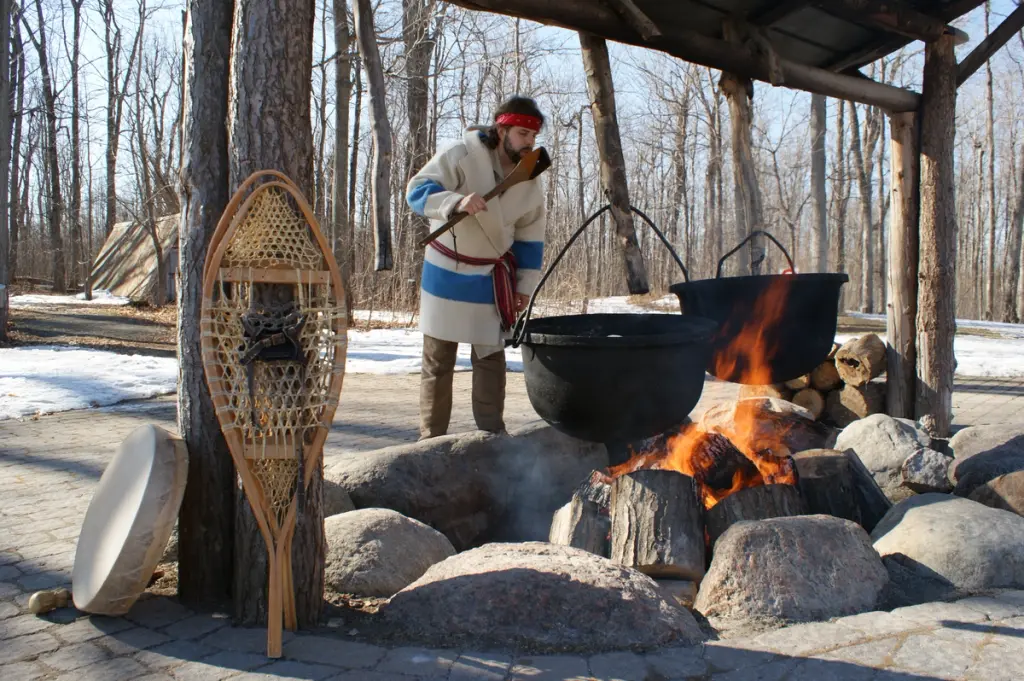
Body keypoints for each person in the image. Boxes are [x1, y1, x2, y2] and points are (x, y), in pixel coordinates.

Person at [406, 96, 547, 440]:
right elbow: (417, 191)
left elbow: (530, 235)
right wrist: (455, 202)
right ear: (502, 129)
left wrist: (523, 286)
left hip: (491, 277)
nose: (529, 141)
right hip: (445, 270)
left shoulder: (530, 176)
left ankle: (491, 437)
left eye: (533, 135)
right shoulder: (460, 154)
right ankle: (430, 440)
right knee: (438, 360)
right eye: (522, 133)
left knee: (490, 359)